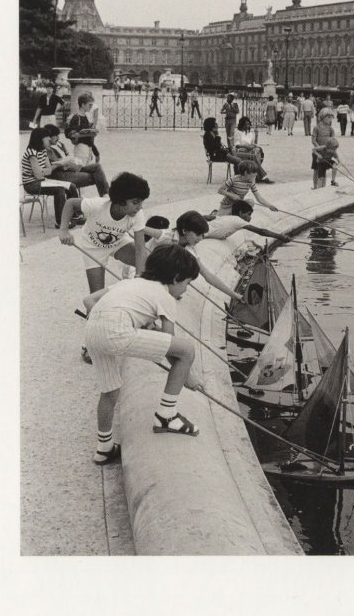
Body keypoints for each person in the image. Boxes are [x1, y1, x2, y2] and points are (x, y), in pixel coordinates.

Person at [83, 244, 203, 464]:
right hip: (116, 332)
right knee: (187, 349)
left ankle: (104, 449)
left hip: (91, 331)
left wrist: (120, 322)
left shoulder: (129, 282)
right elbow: (173, 348)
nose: (186, 290)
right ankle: (166, 416)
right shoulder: (165, 296)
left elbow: (88, 301)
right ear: (176, 278)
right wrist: (190, 377)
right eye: (187, 283)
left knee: (109, 391)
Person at [58, 171, 150, 293]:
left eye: (141, 202)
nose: (140, 207)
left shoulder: (137, 214)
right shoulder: (98, 205)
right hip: (93, 247)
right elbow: (70, 203)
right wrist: (63, 230)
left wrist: (139, 276)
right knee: (96, 296)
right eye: (135, 202)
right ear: (121, 199)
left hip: (118, 243)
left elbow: (140, 249)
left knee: (150, 265)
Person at [143, 211, 244, 302]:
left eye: (202, 235)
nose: (200, 238)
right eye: (198, 234)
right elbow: (141, 228)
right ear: (185, 231)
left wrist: (234, 295)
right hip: (141, 267)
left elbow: (208, 275)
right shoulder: (167, 236)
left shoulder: (189, 250)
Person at [21, 126, 80, 228]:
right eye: (46, 137)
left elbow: (48, 171)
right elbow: (39, 175)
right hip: (31, 184)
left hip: (42, 180)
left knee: (72, 186)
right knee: (59, 190)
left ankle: (74, 216)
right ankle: (60, 222)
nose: (49, 139)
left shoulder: (43, 151)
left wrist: (40, 171)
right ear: (40, 139)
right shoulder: (31, 152)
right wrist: (41, 172)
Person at [44, 124, 109, 196]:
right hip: (62, 175)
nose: (58, 138)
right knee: (97, 176)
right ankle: (106, 196)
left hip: (69, 169)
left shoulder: (53, 149)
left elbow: (64, 160)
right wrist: (63, 163)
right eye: (56, 136)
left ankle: (106, 195)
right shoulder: (47, 150)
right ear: (49, 136)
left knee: (97, 167)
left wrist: (65, 151)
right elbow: (52, 168)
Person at [205, 200, 290, 242]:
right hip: (202, 230)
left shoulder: (227, 217)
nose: (250, 218)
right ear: (241, 213)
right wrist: (280, 237)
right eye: (248, 214)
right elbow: (261, 231)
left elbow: (209, 217)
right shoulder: (239, 221)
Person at [65, 92, 101, 166]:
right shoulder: (76, 117)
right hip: (81, 148)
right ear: (83, 105)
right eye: (89, 105)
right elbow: (72, 135)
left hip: (87, 148)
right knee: (81, 170)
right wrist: (89, 133)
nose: (91, 107)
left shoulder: (85, 117)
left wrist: (92, 151)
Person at [234, 116, 273, 183]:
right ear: (242, 124)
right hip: (241, 152)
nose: (247, 126)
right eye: (245, 124)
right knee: (253, 157)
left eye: (248, 124)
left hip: (249, 151)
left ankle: (259, 176)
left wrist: (257, 137)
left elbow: (253, 143)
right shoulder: (238, 133)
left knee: (255, 153)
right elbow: (237, 145)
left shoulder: (250, 134)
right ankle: (263, 176)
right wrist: (246, 146)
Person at [311, 108, 336, 189]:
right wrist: (319, 147)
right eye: (328, 117)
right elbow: (313, 140)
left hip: (326, 152)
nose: (330, 119)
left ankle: (323, 187)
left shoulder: (331, 129)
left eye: (331, 117)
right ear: (322, 117)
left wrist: (330, 149)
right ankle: (315, 186)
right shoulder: (316, 127)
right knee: (316, 170)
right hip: (318, 152)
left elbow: (332, 141)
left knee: (323, 170)